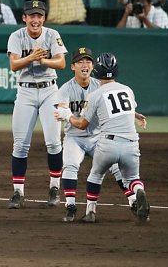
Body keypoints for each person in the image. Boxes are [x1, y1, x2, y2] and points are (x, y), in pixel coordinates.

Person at [54, 52, 150, 223]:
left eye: (88, 62)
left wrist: (67, 115)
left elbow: (82, 121)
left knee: (100, 173)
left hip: (99, 137)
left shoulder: (97, 89)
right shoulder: (67, 88)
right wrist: (134, 114)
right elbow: (118, 104)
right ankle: (71, 206)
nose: (85, 65)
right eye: (80, 61)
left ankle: (100, 209)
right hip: (77, 138)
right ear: (73, 67)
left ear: (95, 68)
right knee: (71, 165)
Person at [7, 0, 67, 209]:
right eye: (31, 15)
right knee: (20, 145)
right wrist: (32, 57)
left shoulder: (51, 35)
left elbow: (61, 62)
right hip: (25, 91)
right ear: (24, 18)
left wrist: (43, 61)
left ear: (43, 18)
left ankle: (54, 187)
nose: (35, 19)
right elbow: (14, 65)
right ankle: (18, 192)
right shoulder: (16, 36)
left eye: (39, 15)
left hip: (50, 91)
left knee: (53, 143)